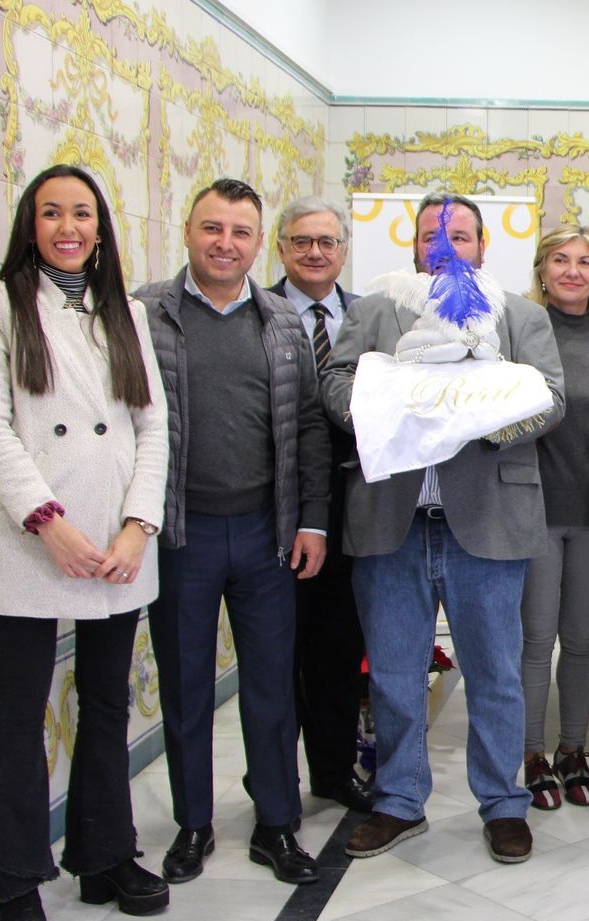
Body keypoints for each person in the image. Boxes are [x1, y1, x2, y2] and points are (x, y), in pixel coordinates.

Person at [0, 164, 170, 921]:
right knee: (22, 713)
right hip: (31, 542)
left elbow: (151, 428)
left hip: (117, 544)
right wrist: (48, 521)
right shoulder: (0, 303)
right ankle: (16, 881)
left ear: (101, 227)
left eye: (81, 213)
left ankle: (104, 854)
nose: (68, 227)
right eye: (52, 214)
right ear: (31, 224)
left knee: (108, 706)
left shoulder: (126, 311)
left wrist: (135, 527)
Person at [322, 194, 564, 865]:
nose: (447, 247)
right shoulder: (374, 310)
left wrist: (479, 425)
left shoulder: (519, 316)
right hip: (390, 523)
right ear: (415, 246)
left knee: (495, 674)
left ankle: (502, 802)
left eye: (460, 235)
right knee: (396, 674)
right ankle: (399, 799)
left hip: (487, 521)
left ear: (484, 247)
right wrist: (385, 411)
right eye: (435, 236)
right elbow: (335, 383)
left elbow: (552, 397)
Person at [138, 178, 331, 886]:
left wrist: (311, 520)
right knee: (186, 684)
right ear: (188, 231)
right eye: (212, 228)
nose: (226, 243)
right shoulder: (145, 313)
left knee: (272, 685)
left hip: (266, 534)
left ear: (259, 244)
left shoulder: (281, 320)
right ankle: (193, 824)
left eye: (240, 232)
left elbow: (309, 425)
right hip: (180, 534)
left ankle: (277, 823)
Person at [268, 195, 372, 815]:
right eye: (302, 241)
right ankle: (273, 783)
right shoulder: (255, 312)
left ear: (342, 251)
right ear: (281, 248)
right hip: (277, 509)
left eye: (327, 242)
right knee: (276, 654)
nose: (315, 252)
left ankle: (334, 771)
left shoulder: (368, 316)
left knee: (337, 648)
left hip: (353, 501)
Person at [520, 226, 589, 810]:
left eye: (585, 261)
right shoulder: (520, 334)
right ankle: (533, 752)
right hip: (533, 515)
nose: (572, 271)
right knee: (536, 640)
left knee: (581, 639)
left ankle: (573, 751)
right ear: (542, 270)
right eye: (560, 259)